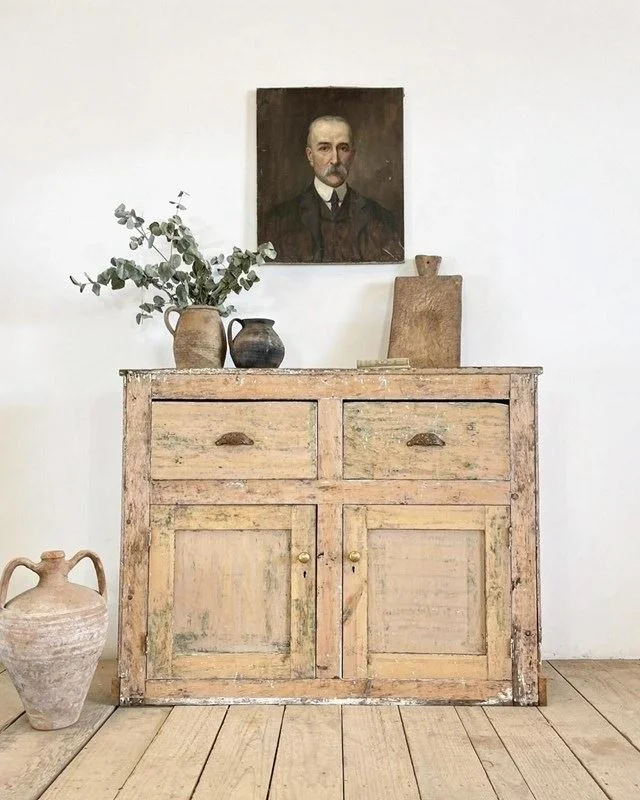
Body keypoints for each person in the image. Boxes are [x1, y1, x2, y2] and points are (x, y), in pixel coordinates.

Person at [262, 115, 404, 263]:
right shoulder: (279, 221)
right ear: (310, 156)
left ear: (352, 156)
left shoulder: (382, 218)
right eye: (324, 148)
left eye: (343, 148)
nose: (335, 160)